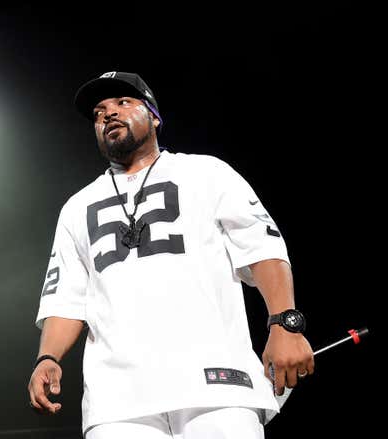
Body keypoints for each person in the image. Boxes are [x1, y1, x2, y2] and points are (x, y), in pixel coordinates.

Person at [27, 71, 314, 439]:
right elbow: (66, 298)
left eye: (123, 103)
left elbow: (263, 247)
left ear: (155, 116)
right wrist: (47, 358)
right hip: (116, 401)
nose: (109, 114)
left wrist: (284, 323)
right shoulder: (76, 207)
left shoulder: (206, 172)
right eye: (99, 112)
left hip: (215, 383)